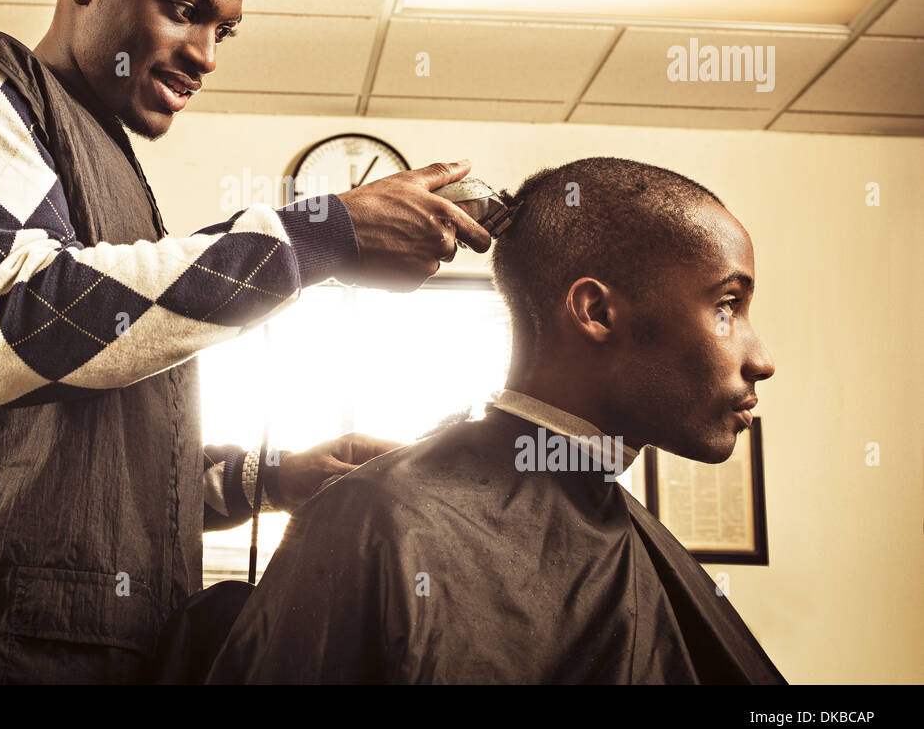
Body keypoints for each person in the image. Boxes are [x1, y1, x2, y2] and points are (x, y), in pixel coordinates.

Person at [0, 0, 492, 683]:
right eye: (186, 10)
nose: (207, 56)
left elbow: (110, 468)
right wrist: (320, 234)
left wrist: (275, 478)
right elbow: (11, 328)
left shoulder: (125, 188)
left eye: (224, 30)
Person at [207, 156, 785, 684]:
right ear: (598, 312)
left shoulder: (607, 518)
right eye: (726, 306)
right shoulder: (381, 520)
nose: (762, 361)